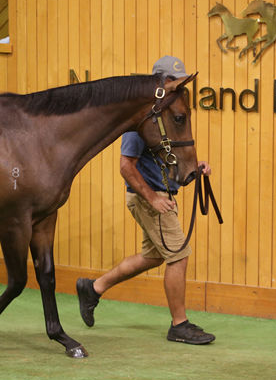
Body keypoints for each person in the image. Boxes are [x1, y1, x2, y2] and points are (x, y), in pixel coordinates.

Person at [76, 56, 215, 345]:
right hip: (149, 198)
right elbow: (126, 165)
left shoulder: (162, 115)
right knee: (179, 254)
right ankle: (179, 324)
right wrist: (152, 199)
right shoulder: (139, 121)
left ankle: (94, 288)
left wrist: (195, 168)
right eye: (172, 82)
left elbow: (166, 157)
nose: (177, 87)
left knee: (151, 257)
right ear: (160, 84)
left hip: (160, 194)